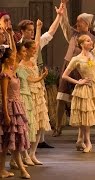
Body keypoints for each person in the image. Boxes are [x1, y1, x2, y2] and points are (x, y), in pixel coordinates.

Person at [61, 8, 95, 153]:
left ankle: (80, 140)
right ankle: (88, 142)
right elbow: (65, 75)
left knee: (87, 116)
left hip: (94, 88)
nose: (91, 42)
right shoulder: (77, 59)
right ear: (82, 44)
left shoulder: (94, 54)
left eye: (91, 40)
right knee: (86, 117)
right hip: (84, 89)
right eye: (88, 41)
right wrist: (78, 82)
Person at [18, 4, 63, 148]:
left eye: (33, 30)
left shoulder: (36, 43)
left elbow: (50, 32)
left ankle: (39, 141)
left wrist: (59, 16)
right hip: (25, 83)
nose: (32, 33)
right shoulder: (18, 47)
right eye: (29, 30)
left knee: (39, 110)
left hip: (37, 80)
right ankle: (24, 144)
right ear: (22, 32)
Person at [55, 0, 95, 145]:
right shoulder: (73, 35)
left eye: (80, 22)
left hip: (83, 72)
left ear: (87, 24)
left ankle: (83, 132)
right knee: (61, 97)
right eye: (77, 22)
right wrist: (64, 8)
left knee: (83, 101)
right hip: (69, 65)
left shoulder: (93, 39)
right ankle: (58, 126)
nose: (77, 24)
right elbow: (64, 24)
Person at [0, 27, 30, 179]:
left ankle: (3, 169)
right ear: (7, 59)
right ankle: (22, 171)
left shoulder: (13, 69)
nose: (15, 56)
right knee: (8, 140)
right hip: (10, 108)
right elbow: (4, 96)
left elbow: (18, 54)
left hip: (17, 106)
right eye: (12, 55)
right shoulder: (5, 74)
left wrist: (11, 35)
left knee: (10, 141)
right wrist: (6, 113)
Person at [19, 20, 50, 165]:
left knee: (39, 125)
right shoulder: (21, 64)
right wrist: (41, 78)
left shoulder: (34, 60)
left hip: (38, 95)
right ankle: (25, 154)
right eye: (32, 50)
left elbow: (37, 41)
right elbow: (30, 80)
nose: (34, 51)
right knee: (29, 125)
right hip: (28, 95)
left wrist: (38, 28)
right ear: (25, 50)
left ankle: (32, 153)